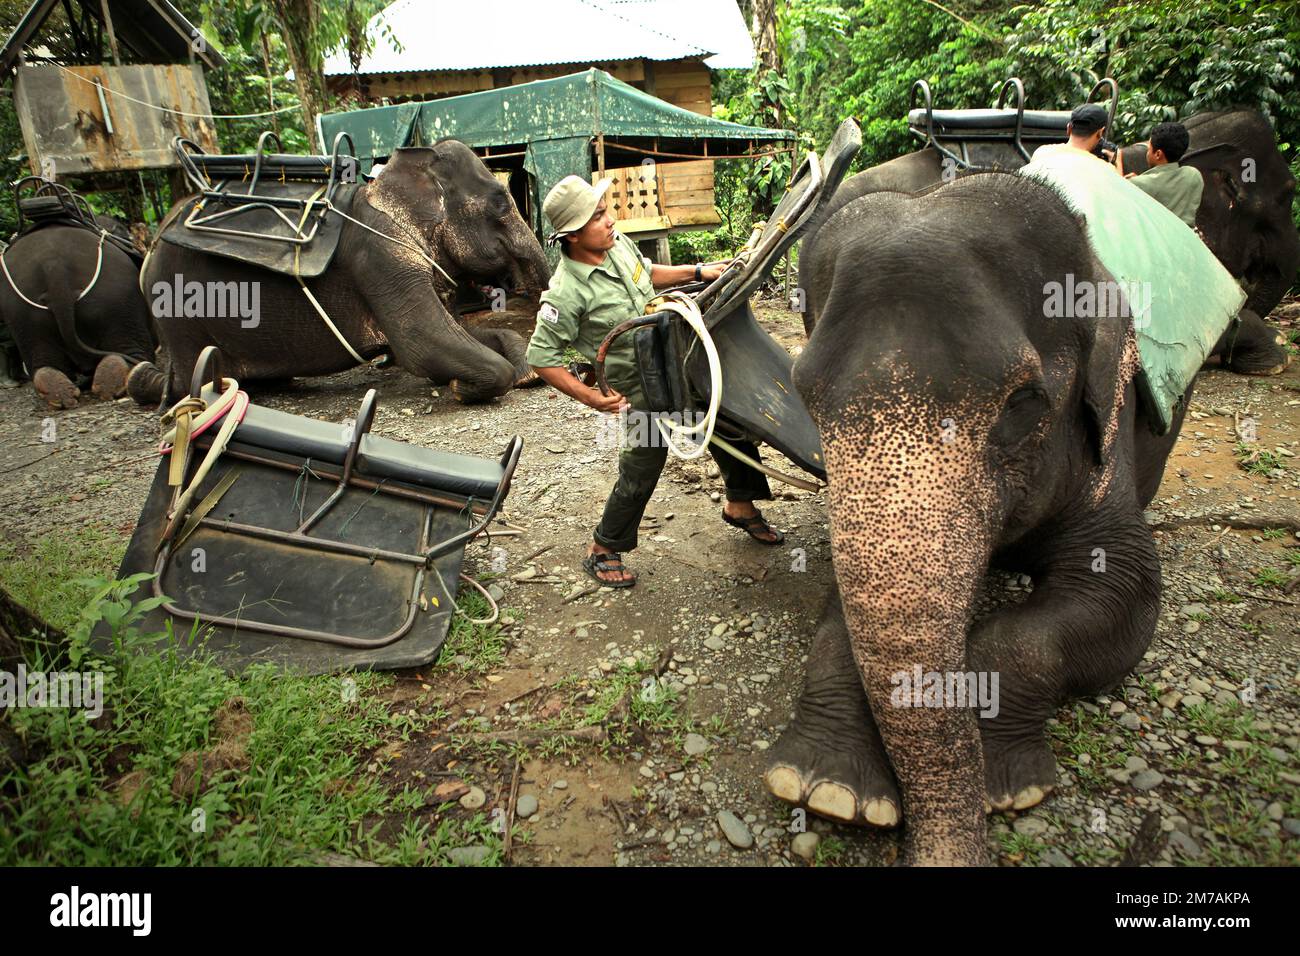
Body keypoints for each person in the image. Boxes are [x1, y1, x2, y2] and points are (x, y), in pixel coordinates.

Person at [526, 175, 785, 588]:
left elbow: (646, 272)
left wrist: (698, 270)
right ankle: (604, 548)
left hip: (676, 362)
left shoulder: (615, 244)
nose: (609, 220)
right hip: (639, 392)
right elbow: (541, 358)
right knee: (643, 465)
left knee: (729, 424)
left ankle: (739, 504)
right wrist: (593, 399)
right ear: (572, 235)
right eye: (597, 216)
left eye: (606, 210)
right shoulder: (565, 293)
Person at [1122, 121, 1204, 227]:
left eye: (1149, 148)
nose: (1147, 152)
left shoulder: (1140, 184)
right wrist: (1141, 180)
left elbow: (1119, 191)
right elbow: (1163, 184)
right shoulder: (1194, 175)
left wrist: (1118, 158)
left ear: (1158, 154)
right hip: (1186, 240)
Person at [1038, 103, 1120, 168]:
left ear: (1069, 128)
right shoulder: (1103, 167)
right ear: (1100, 133)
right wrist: (1117, 160)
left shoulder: (1041, 152)